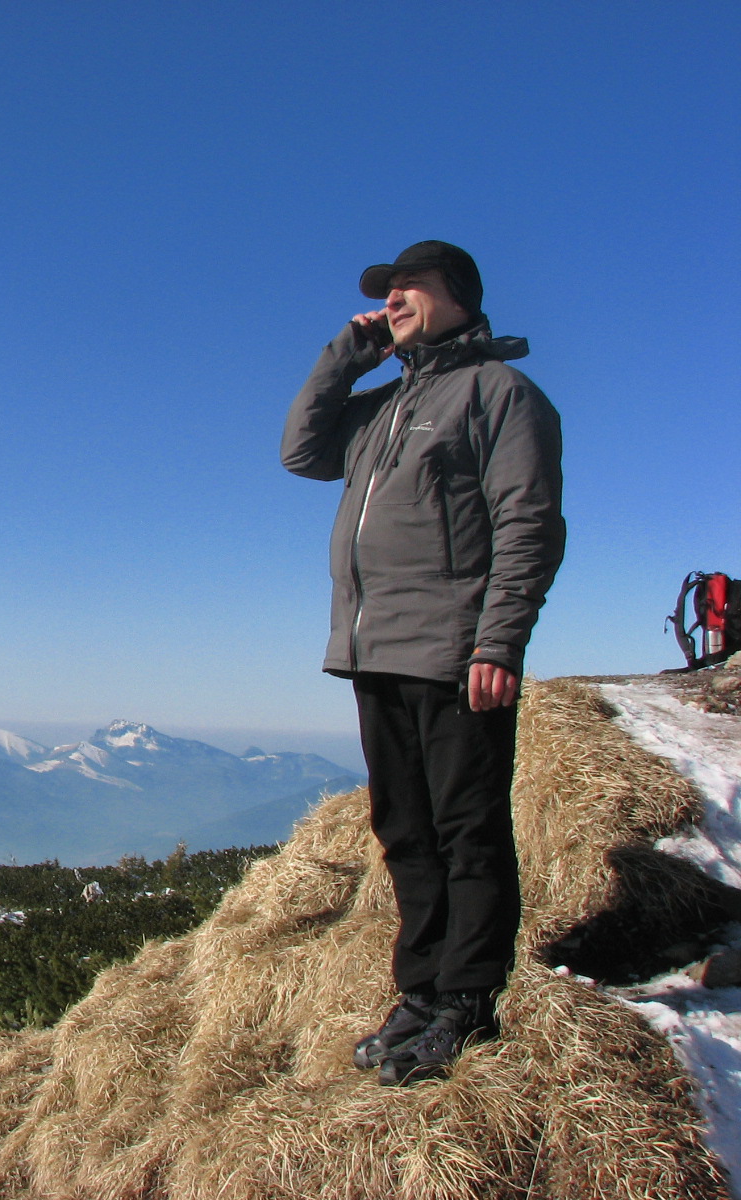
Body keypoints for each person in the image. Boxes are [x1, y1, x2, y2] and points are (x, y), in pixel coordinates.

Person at [280, 241, 565, 1086]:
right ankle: (421, 991)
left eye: (411, 285)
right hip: (373, 650)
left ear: (459, 295)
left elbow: (529, 523)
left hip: (453, 653)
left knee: (466, 832)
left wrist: (498, 641)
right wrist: (349, 352)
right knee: (405, 832)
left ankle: (468, 1002)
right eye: (387, 291)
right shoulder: (384, 407)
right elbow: (301, 450)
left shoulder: (501, 394)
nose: (394, 298)